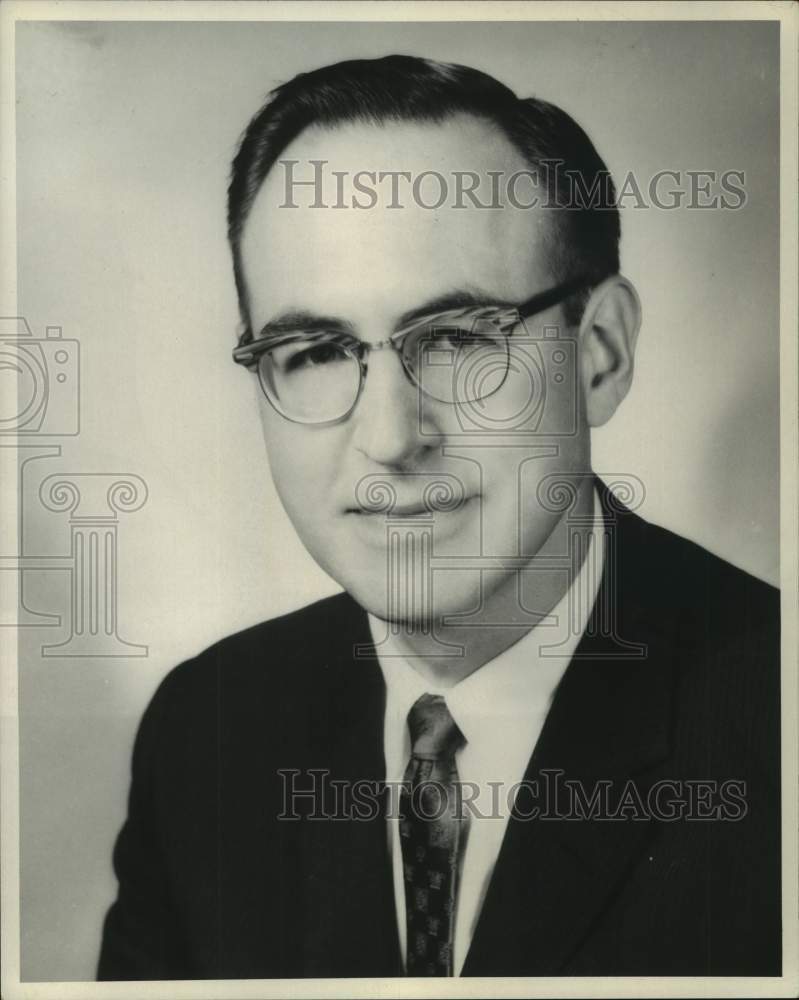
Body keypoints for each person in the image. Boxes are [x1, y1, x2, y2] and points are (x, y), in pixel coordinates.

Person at [97, 55, 781, 979]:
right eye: (315, 351)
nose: (389, 438)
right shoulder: (209, 729)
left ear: (600, 355)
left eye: (457, 339)